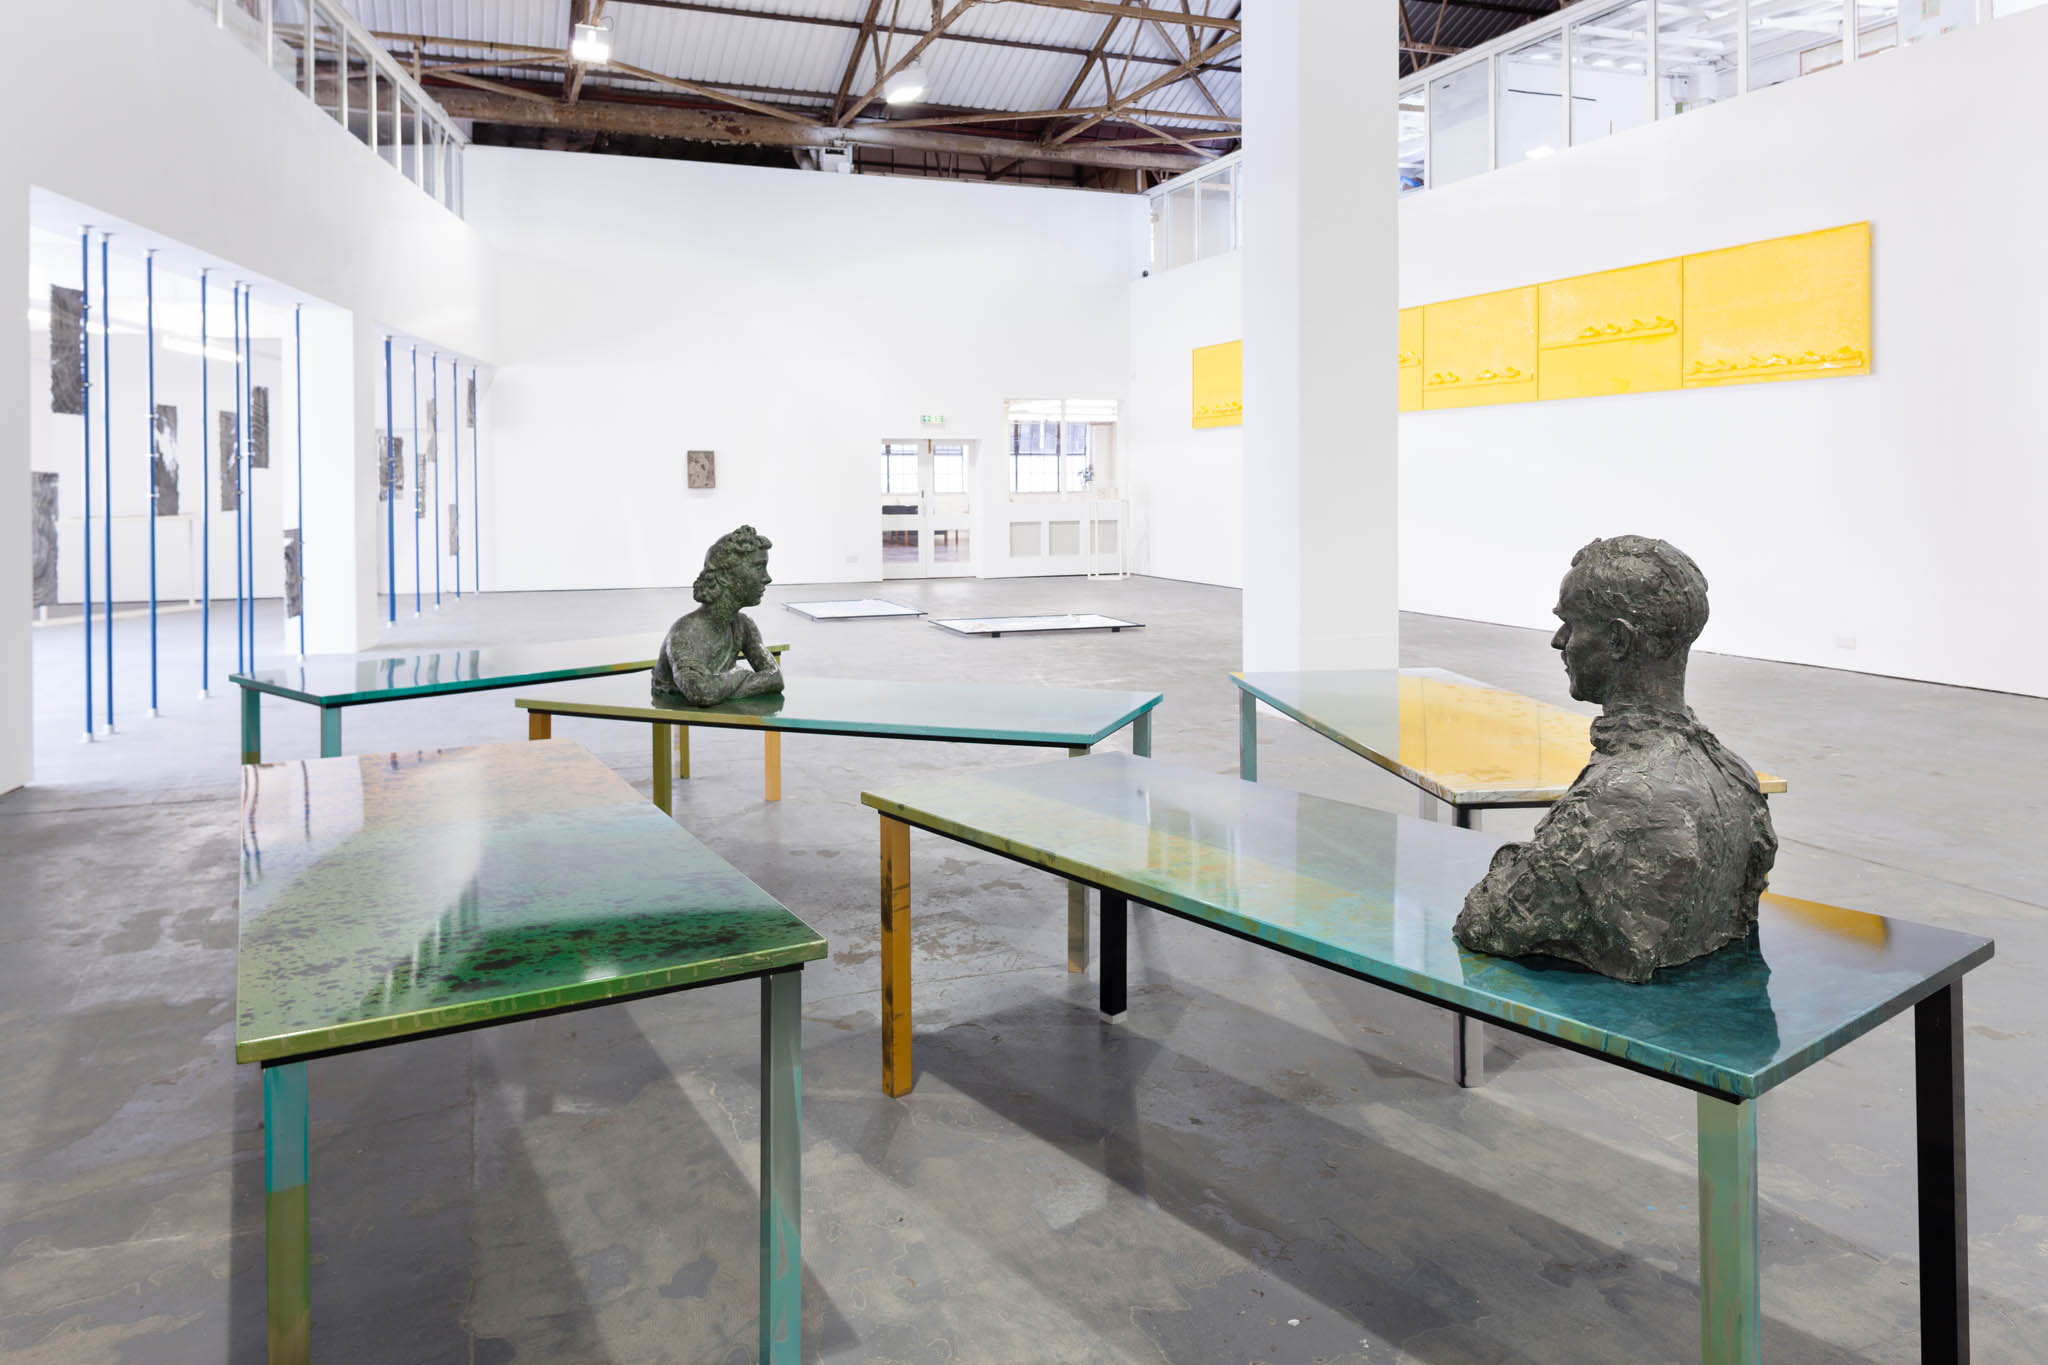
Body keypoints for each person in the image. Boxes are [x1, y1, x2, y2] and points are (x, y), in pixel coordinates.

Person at [1452, 535, 1777, 983]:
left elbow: (1484, 919)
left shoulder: (1620, 796)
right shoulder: (1735, 775)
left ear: (1618, 639)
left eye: (1571, 624)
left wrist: (1522, 862)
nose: (1558, 641)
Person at [651, 525, 785, 705]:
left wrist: (722, 684)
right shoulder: (684, 633)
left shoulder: (743, 625)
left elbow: (775, 677)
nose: (767, 578)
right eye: (758, 567)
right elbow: (702, 693)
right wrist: (739, 674)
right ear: (724, 576)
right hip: (672, 708)